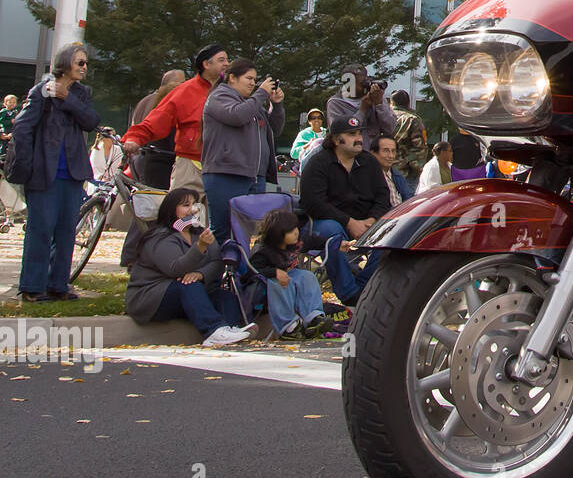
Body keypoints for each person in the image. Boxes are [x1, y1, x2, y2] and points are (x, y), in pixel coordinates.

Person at [8, 43, 100, 302]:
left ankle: (59, 284)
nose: (84, 67)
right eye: (80, 63)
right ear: (65, 63)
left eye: (86, 64)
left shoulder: (81, 94)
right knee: (41, 229)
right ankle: (32, 287)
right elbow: (22, 128)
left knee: (66, 230)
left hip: (72, 172)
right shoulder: (40, 92)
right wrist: (29, 164)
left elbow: (91, 121)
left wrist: (67, 99)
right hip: (44, 172)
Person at [124, 188, 250, 346]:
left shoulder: (200, 233)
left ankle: (230, 328)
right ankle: (213, 330)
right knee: (189, 286)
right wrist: (200, 248)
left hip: (189, 292)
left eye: (194, 204)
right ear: (172, 210)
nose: (193, 209)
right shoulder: (160, 236)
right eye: (185, 205)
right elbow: (175, 269)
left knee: (224, 296)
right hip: (152, 297)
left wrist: (200, 274)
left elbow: (217, 262)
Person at [121, 44, 230, 217]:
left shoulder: (231, 91)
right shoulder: (185, 90)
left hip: (222, 167)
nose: (226, 64)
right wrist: (135, 137)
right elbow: (158, 118)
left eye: (227, 60)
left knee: (215, 224)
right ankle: (175, 243)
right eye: (221, 60)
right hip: (189, 165)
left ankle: (207, 245)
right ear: (206, 64)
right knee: (180, 220)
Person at [297, 115, 390, 304]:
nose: (359, 138)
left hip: (366, 224)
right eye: (351, 134)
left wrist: (372, 219)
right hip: (325, 225)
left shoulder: (369, 162)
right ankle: (348, 294)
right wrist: (348, 222)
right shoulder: (318, 163)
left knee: (391, 233)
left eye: (359, 133)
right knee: (332, 232)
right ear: (335, 139)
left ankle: (362, 290)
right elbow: (313, 203)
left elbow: (382, 196)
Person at [200, 59, 285, 243]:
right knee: (223, 230)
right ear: (232, 78)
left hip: (254, 176)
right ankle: (214, 270)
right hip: (225, 174)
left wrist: (276, 105)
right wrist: (261, 94)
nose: (253, 83)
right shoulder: (219, 97)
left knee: (246, 234)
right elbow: (237, 116)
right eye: (249, 78)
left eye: (255, 79)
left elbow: (274, 129)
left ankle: (239, 270)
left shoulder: (252, 103)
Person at [249, 208, 339, 340]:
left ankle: (313, 318)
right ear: (277, 235)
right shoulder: (263, 251)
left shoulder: (297, 242)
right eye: (291, 231)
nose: (296, 232)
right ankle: (289, 327)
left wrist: (337, 244)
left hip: (290, 275)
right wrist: (274, 272)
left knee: (307, 276)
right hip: (265, 285)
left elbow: (316, 241)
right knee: (280, 282)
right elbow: (252, 270)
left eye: (296, 228)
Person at [128, 69, 187, 189]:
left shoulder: (144, 102)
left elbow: (135, 126)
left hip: (141, 160)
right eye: (182, 84)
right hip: (162, 164)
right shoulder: (167, 106)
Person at [327, 64, 396, 151]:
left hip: (372, 155)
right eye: (362, 83)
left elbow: (390, 128)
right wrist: (363, 109)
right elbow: (340, 132)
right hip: (349, 155)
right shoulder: (336, 103)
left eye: (367, 80)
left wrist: (379, 104)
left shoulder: (376, 97)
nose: (366, 85)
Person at [388, 90, 429, 184]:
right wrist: (416, 169)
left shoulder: (384, 116)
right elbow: (420, 148)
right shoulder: (412, 120)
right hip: (405, 173)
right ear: (408, 103)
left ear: (392, 102)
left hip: (382, 170)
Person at [0, 93, 27, 220]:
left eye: (13, 102)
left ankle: (13, 213)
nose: (11, 104)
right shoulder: (3, 113)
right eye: (8, 102)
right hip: (6, 142)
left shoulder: (18, 114)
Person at [372, 134, 413, 206]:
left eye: (393, 151)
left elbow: (409, 201)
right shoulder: (367, 176)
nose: (391, 156)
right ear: (373, 153)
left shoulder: (397, 175)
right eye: (386, 151)